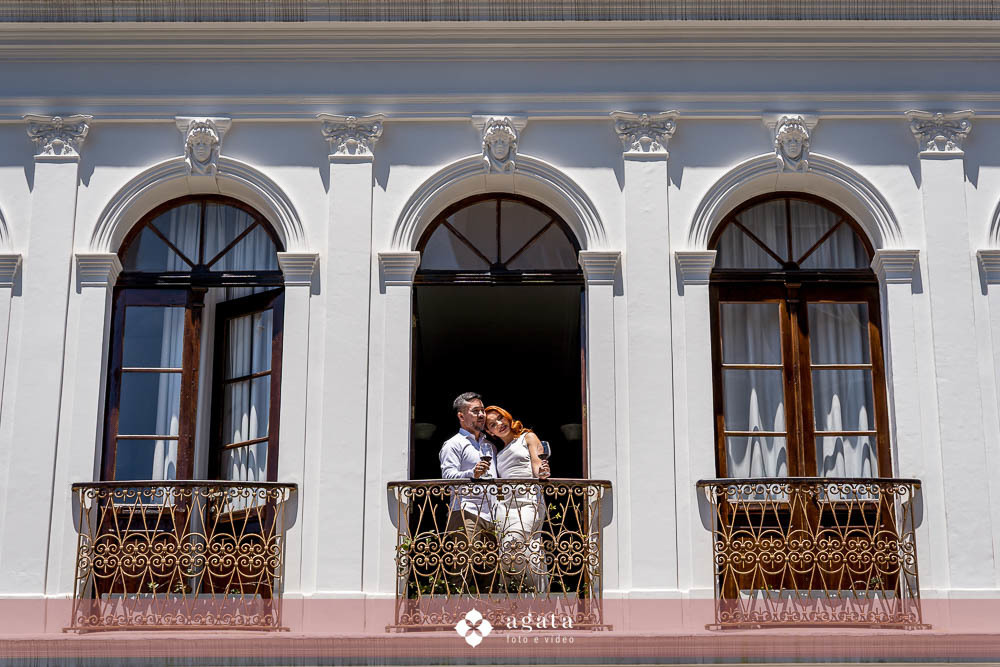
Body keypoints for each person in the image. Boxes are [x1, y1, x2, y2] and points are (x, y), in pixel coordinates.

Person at [484, 405, 550, 594]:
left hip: (528, 501)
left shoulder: (527, 437)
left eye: (500, 418)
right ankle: (519, 593)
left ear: (507, 417)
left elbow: (538, 465)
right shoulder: (497, 452)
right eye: (492, 424)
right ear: (490, 432)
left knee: (522, 543)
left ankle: (538, 594)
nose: (499, 424)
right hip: (505, 506)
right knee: (508, 551)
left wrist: (543, 472)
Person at [438, 392, 498, 593]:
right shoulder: (453, 444)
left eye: (482, 410)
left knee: (488, 570)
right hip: (465, 511)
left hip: (492, 515)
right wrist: (471, 473)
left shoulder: (489, 446)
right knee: (461, 567)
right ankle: (454, 616)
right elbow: (448, 476)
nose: (481, 414)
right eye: (475, 411)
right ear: (461, 416)